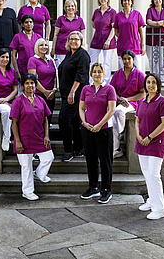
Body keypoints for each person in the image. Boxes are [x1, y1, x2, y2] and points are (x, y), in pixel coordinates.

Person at [10, 74, 54, 201]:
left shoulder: (40, 100)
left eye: (32, 83)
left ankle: (39, 174)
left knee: (48, 157)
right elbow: (14, 123)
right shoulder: (18, 101)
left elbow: (46, 119)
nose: (30, 86)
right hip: (23, 137)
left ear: (36, 85)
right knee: (26, 165)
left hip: (39, 136)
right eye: (27, 83)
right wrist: (17, 141)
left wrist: (46, 135)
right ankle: (27, 191)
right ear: (23, 86)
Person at [135, 73, 164, 220]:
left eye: (153, 82)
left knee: (154, 175)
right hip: (142, 142)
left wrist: (150, 137)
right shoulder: (142, 101)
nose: (150, 85)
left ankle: (159, 209)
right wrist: (138, 136)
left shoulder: (163, 101)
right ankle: (151, 201)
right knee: (146, 173)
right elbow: (137, 121)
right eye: (148, 82)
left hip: (156, 143)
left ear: (158, 86)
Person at [79, 63, 116, 203]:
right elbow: (81, 108)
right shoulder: (85, 89)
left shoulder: (109, 89)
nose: (96, 74)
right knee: (91, 159)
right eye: (94, 72)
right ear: (91, 74)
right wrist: (85, 123)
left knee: (105, 160)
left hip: (104, 129)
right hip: (87, 129)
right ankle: (93, 187)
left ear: (104, 73)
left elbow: (111, 110)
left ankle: (106, 190)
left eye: (99, 72)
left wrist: (99, 125)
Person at [58, 31, 90, 162]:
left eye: (76, 39)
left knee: (63, 119)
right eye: (71, 39)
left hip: (76, 94)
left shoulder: (82, 54)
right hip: (67, 94)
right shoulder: (69, 54)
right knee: (76, 122)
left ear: (81, 41)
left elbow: (81, 75)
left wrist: (72, 92)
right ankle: (78, 148)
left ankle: (68, 150)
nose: (73, 41)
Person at [109, 50, 145, 159]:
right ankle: (116, 150)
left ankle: (121, 133)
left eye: (129, 58)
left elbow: (143, 93)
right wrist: (119, 98)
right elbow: (112, 89)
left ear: (133, 60)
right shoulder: (117, 73)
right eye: (124, 59)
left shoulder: (139, 74)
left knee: (119, 111)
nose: (126, 61)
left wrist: (127, 99)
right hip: (119, 101)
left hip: (133, 102)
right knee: (112, 124)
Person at [113, 0, 146, 72]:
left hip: (135, 46)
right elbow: (116, 31)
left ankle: (140, 84)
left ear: (131, 2)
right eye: (124, 0)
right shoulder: (118, 16)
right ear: (122, 2)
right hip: (122, 46)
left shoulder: (137, 14)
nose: (126, 2)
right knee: (124, 70)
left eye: (128, 0)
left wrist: (143, 45)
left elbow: (141, 30)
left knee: (138, 69)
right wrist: (122, 37)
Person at [90, 0, 117, 84]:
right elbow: (93, 24)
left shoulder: (112, 12)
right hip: (96, 40)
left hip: (108, 41)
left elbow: (114, 28)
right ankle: (91, 82)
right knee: (91, 61)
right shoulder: (96, 12)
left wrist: (108, 40)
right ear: (99, 0)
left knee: (106, 63)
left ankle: (105, 82)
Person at [27, 38, 57, 122]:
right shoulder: (33, 60)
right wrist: (45, 91)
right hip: (39, 94)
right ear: (37, 47)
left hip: (51, 95)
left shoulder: (51, 60)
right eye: (41, 45)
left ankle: (47, 135)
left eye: (46, 45)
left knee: (48, 119)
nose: (44, 47)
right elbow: (32, 79)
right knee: (38, 120)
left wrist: (54, 90)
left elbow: (55, 77)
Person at [51, 0, 86, 67]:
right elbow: (55, 35)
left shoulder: (80, 20)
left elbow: (82, 37)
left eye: (72, 6)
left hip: (75, 50)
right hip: (61, 49)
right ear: (65, 8)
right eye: (68, 6)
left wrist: (82, 48)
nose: (70, 8)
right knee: (60, 68)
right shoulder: (60, 19)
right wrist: (53, 48)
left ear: (75, 7)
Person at [10, 15, 41, 81]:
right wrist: (17, 72)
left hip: (36, 68)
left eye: (31, 22)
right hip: (22, 68)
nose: (29, 24)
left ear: (33, 24)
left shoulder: (38, 37)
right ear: (23, 25)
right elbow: (13, 55)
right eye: (26, 22)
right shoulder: (17, 37)